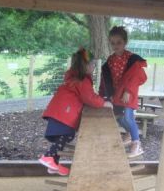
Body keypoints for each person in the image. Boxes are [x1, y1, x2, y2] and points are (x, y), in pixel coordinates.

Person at [39, 48, 112, 176]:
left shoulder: (75, 78)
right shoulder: (82, 80)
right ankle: (49, 156)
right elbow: (89, 98)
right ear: (86, 66)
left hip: (60, 111)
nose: (94, 67)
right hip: (64, 113)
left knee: (63, 137)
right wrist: (104, 103)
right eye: (93, 65)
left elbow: (88, 95)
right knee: (65, 135)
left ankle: (53, 163)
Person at [99, 26, 147, 158]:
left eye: (119, 42)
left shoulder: (131, 58)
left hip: (129, 93)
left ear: (125, 42)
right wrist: (107, 95)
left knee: (128, 117)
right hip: (117, 94)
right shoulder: (110, 60)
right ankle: (130, 134)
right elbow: (106, 79)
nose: (116, 46)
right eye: (113, 43)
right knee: (119, 117)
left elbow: (137, 76)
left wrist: (128, 91)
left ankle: (137, 145)